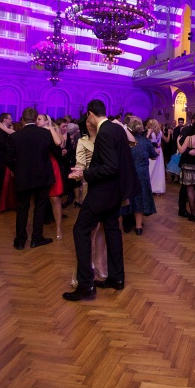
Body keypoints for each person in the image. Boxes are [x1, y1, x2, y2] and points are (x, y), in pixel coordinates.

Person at [63, 99, 139, 301]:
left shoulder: (104, 132)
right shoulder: (117, 128)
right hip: (115, 192)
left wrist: (85, 174)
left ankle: (85, 284)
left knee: (80, 230)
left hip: (102, 193)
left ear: (90, 114)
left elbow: (111, 166)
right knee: (112, 231)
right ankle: (116, 278)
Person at [6, 107, 60, 250]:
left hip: (23, 177)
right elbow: (56, 150)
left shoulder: (15, 136)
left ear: (23, 120)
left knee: (22, 208)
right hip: (43, 176)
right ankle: (36, 238)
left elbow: (9, 159)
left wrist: (16, 170)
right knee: (40, 207)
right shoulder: (45, 134)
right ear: (36, 119)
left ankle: (19, 241)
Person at [73, 115, 107, 282]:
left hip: (109, 186)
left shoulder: (107, 137)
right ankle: (85, 266)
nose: (91, 122)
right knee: (89, 229)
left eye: (92, 118)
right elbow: (80, 165)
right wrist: (77, 174)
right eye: (87, 120)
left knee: (105, 226)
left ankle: (100, 262)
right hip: (91, 186)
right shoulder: (82, 141)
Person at [36, 114, 65, 240]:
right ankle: (38, 230)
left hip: (51, 165)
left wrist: (51, 128)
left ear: (46, 121)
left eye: (39, 119)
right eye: (36, 119)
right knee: (39, 199)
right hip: (38, 166)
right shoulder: (34, 132)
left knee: (55, 198)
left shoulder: (51, 130)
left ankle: (58, 228)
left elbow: (59, 143)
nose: (36, 121)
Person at [129, 118, 158, 235]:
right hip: (142, 174)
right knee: (140, 199)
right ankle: (138, 226)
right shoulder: (145, 142)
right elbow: (154, 155)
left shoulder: (126, 141)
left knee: (128, 198)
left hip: (129, 174)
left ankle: (126, 224)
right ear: (141, 129)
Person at [177, 119, 195, 221]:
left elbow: (181, 150)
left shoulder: (189, 138)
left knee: (190, 190)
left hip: (188, 166)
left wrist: (177, 141)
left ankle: (193, 214)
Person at [148, 119, 166, 195]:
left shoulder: (150, 132)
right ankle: (157, 188)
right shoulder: (160, 132)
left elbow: (147, 142)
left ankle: (150, 187)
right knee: (158, 170)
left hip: (152, 151)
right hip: (159, 151)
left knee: (151, 169)